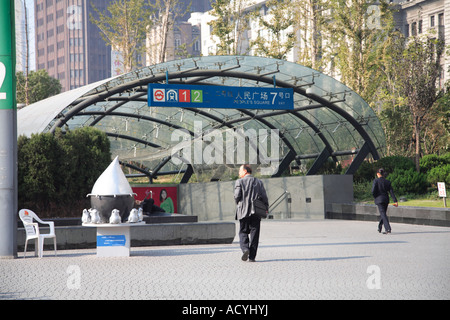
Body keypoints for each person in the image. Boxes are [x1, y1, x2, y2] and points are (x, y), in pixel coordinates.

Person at [234, 164, 269, 262]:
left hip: (243, 211)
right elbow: (264, 196)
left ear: (245, 171)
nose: (239, 173)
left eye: (240, 171)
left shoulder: (239, 182)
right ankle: (252, 257)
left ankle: (245, 249)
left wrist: (239, 203)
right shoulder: (258, 182)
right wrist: (266, 207)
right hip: (256, 212)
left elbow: (237, 196)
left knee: (243, 232)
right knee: (255, 234)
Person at [372, 168, 398, 234]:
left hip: (379, 200)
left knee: (383, 214)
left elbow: (373, 191)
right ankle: (380, 227)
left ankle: (388, 229)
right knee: (383, 214)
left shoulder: (376, 181)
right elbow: (391, 192)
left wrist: (375, 197)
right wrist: (395, 201)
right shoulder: (387, 182)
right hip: (386, 199)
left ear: (378, 174)